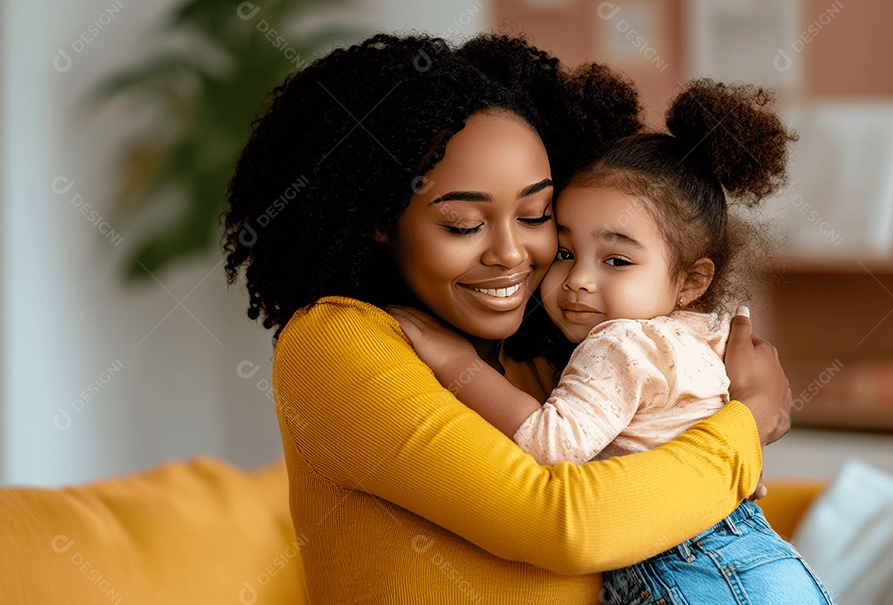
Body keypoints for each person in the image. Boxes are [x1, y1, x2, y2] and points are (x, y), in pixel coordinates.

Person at [223, 32, 793, 604]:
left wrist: (705, 465)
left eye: (536, 215)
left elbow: (644, 497)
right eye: (465, 224)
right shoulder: (338, 341)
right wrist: (747, 425)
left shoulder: (549, 345)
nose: (512, 254)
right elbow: (563, 523)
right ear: (381, 218)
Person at [391, 81, 835, 604]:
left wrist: (456, 361)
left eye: (616, 261)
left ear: (692, 281)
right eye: (563, 252)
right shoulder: (702, 333)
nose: (578, 279)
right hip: (763, 565)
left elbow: (549, 445)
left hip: (693, 571)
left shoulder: (618, 345)